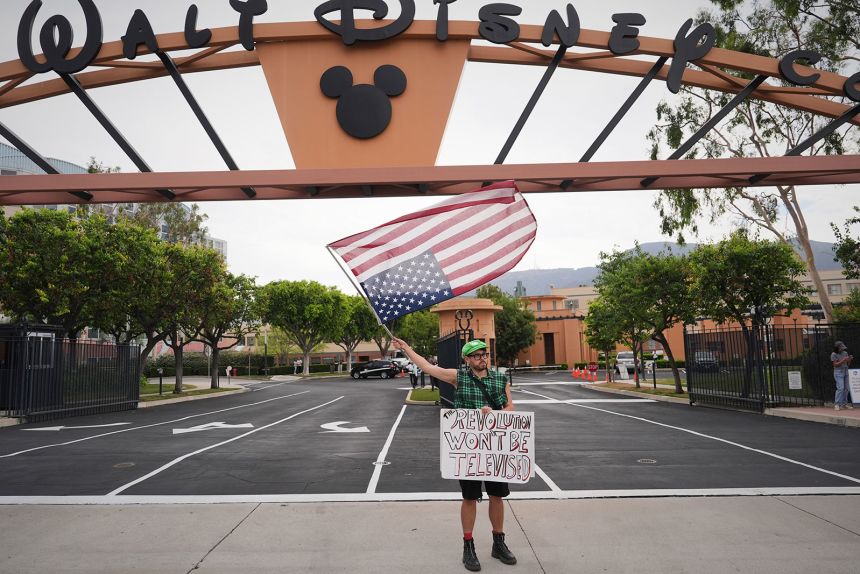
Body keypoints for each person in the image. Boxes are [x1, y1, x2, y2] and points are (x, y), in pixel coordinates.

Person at [392, 336, 517, 572]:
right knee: (470, 497)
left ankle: (498, 542)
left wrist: (496, 412)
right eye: (477, 356)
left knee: (497, 495)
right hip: (468, 448)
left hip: (494, 447)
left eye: (485, 354)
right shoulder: (458, 377)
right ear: (468, 360)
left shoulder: (500, 378)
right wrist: (406, 348)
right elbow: (428, 367)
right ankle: (468, 546)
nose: (483, 359)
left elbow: (511, 407)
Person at [831, 341, 854, 411]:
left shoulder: (845, 353)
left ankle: (844, 404)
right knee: (840, 388)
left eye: (843, 348)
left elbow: (848, 364)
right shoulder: (833, 354)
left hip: (845, 371)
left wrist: (849, 360)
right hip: (838, 372)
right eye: (841, 348)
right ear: (837, 348)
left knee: (847, 388)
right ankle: (837, 404)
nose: (842, 349)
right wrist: (844, 360)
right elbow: (835, 365)